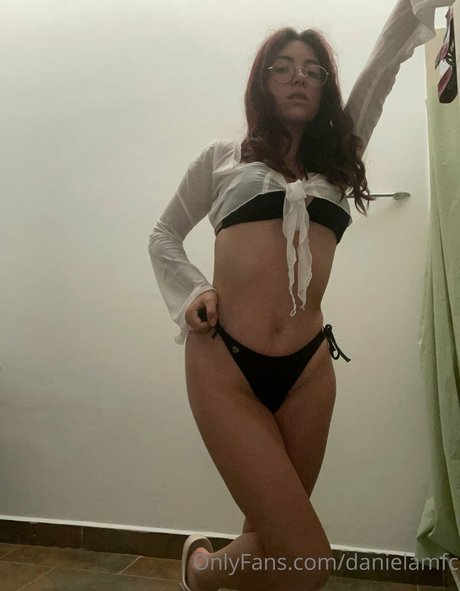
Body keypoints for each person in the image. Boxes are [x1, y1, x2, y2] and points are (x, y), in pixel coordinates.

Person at [148, 1, 456, 589]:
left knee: (271, 537)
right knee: (307, 559)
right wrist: (194, 291)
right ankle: (202, 574)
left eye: (313, 71)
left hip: (309, 370)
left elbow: (382, 65)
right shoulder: (222, 159)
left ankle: (202, 574)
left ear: (325, 89)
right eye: (283, 68)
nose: (299, 78)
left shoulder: (340, 162)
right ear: (262, 82)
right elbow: (163, 235)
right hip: (223, 365)